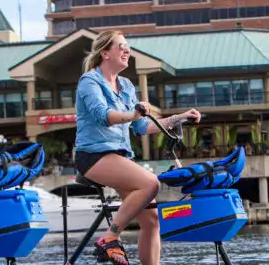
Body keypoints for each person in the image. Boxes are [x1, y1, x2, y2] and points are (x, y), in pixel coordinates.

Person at [74, 30, 201, 265]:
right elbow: (104, 116)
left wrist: (179, 118)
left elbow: (141, 126)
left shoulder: (126, 85)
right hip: (93, 156)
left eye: (127, 46)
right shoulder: (89, 81)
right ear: (105, 53)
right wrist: (132, 114)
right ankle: (110, 237)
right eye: (121, 46)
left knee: (152, 220)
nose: (127, 50)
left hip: (120, 158)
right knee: (150, 183)